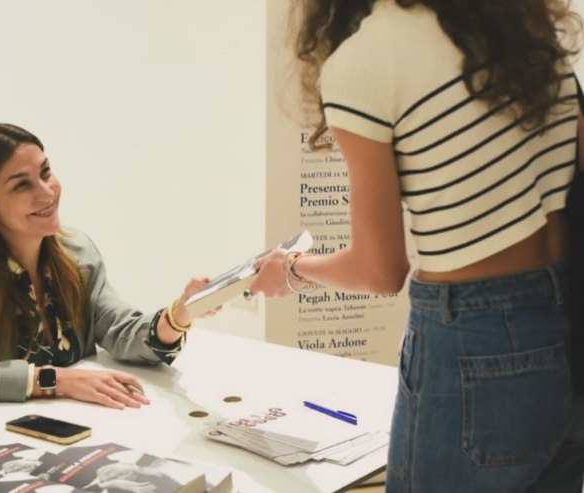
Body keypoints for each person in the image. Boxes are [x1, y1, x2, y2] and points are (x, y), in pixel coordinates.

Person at [249, 0, 584, 491]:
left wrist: (294, 268)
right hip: (566, 317)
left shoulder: (366, 60)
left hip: (472, 332)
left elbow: (380, 270)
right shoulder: (522, 24)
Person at [0, 123, 212, 408]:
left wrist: (179, 315)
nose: (47, 192)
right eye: (22, 184)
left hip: (74, 424)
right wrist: (57, 379)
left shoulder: (78, 251)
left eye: (45, 172)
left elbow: (119, 328)